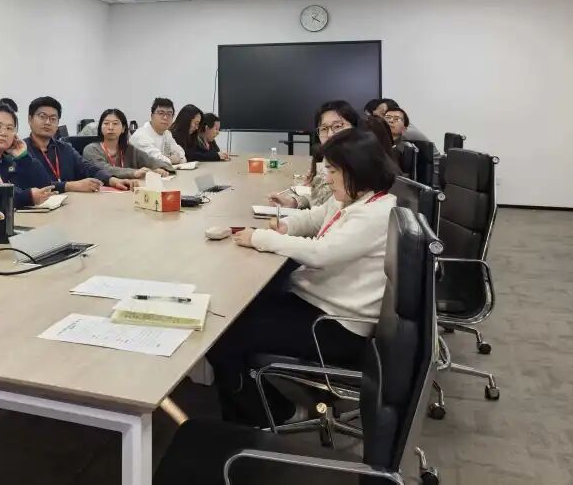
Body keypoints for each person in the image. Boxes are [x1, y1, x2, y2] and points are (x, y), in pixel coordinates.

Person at [208, 128, 399, 426]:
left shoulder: (375, 214)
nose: (328, 179)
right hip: (320, 302)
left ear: (357, 169)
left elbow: (321, 253)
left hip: (337, 326)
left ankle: (273, 415)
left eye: (333, 171)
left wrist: (261, 238)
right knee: (237, 311)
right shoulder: (356, 199)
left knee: (221, 337)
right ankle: (247, 407)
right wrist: (285, 227)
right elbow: (314, 217)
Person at [17, 97, 134, 193]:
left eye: (53, 118)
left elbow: (88, 168)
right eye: (42, 117)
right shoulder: (20, 151)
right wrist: (70, 186)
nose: (48, 122)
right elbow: (29, 183)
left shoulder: (65, 148)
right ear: (30, 120)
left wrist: (112, 180)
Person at [268, 100, 358, 210]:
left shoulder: (359, 165)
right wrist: (294, 202)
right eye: (324, 129)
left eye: (337, 126)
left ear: (355, 127)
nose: (330, 134)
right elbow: (321, 199)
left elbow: (329, 212)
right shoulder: (326, 158)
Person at [82, 108, 173, 179]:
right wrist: (134, 172)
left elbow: (152, 161)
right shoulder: (91, 150)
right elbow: (104, 169)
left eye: (115, 123)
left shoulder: (129, 150)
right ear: (100, 128)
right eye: (106, 123)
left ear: (123, 128)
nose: (110, 127)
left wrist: (161, 169)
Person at [131, 98, 187, 165]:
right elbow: (155, 160)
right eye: (161, 113)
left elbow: (181, 155)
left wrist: (179, 159)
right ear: (152, 116)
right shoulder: (141, 135)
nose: (165, 117)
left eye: (169, 114)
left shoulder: (167, 133)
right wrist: (172, 160)